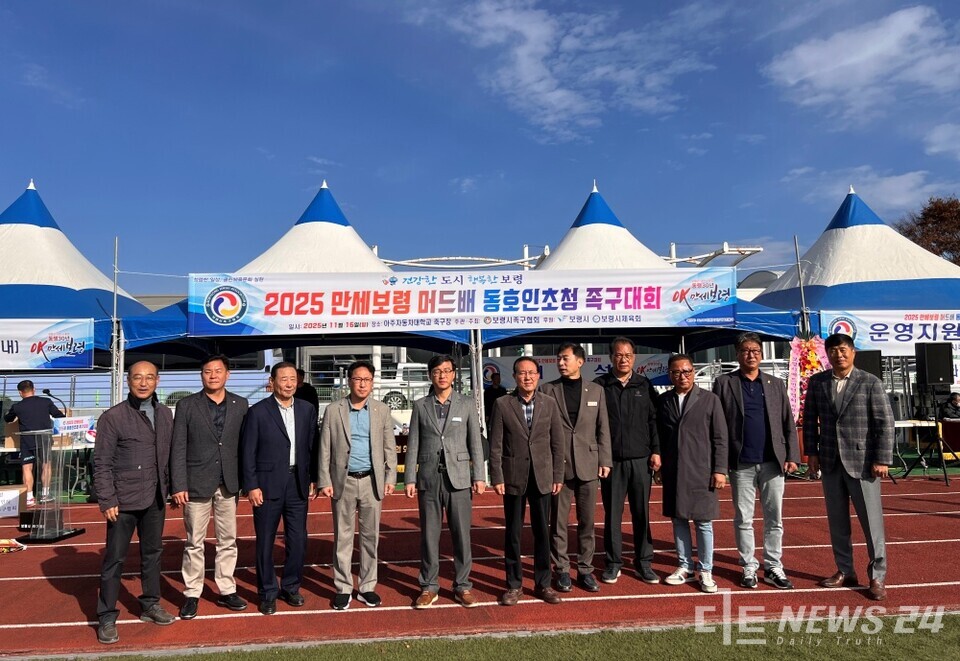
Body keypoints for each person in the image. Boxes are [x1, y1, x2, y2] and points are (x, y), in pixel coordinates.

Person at [803, 333, 894, 601]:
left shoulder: (870, 382)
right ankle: (845, 570)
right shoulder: (817, 383)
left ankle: (877, 575)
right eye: (833, 351)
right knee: (837, 522)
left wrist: (882, 459)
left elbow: (884, 424)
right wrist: (812, 453)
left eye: (843, 350)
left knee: (872, 524)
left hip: (863, 463)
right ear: (827, 354)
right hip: (830, 461)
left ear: (853, 352)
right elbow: (810, 422)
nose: (838, 355)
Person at [94, 361, 175, 644]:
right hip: (123, 501)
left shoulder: (165, 414)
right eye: (138, 377)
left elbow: (168, 457)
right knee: (114, 560)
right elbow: (102, 462)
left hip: (155, 499)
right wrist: (107, 498)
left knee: (152, 555)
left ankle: (150, 604)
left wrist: (173, 489)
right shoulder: (113, 417)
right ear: (128, 380)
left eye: (149, 378)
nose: (144, 383)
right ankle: (106, 615)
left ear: (157, 381)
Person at [713, 333, 800, 590]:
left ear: (761, 354)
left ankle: (773, 566)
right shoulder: (724, 383)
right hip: (741, 462)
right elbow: (717, 425)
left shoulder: (774, 383)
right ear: (737, 355)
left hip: (773, 461)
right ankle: (748, 565)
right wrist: (719, 463)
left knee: (775, 518)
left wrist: (792, 455)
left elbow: (788, 422)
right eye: (745, 350)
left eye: (755, 350)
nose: (751, 354)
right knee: (743, 518)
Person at [170, 355, 249, 619]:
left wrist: (247, 482)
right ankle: (192, 592)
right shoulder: (186, 405)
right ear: (201, 375)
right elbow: (178, 446)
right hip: (195, 483)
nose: (213, 375)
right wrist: (178, 483)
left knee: (228, 540)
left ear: (228, 374)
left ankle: (226, 589)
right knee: (194, 541)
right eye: (207, 371)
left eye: (218, 371)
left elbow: (244, 447)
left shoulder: (241, 404)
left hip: (229, 482)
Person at [404, 355, 486, 609]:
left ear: (453, 375)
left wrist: (479, 475)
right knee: (429, 536)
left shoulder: (466, 404)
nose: (442, 375)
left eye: (447, 371)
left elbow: (475, 441)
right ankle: (429, 586)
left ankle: (462, 585)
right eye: (437, 371)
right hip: (429, 478)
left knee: (461, 535)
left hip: (459, 478)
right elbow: (413, 443)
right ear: (431, 375)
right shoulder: (420, 405)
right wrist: (409, 477)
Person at [317, 359, 397, 611]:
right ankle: (342, 587)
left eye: (367, 380)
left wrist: (390, 477)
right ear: (349, 381)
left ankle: (367, 587)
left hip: (372, 481)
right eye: (358, 379)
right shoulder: (334, 410)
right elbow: (325, 448)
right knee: (342, 537)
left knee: (370, 538)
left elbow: (388, 447)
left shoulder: (381, 410)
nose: (362, 384)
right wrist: (324, 480)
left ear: (372, 383)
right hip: (344, 481)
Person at [240, 361, 318, 615]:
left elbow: (312, 447)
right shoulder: (258, 411)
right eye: (283, 378)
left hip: (297, 484)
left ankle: (291, 586)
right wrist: (251, 485)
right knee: (265, 541)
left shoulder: (307, 410)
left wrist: (313, 478)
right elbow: (247, 451)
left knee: (298, 540)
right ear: (272, 382)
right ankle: (267, 592)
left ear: (298, 381)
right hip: (267, 486)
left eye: (292, 379)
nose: (288, 383)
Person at [488, 356, 565, 606]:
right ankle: (513, 585)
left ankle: (544, 584)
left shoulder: (550, 404)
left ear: (538, 375)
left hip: (543, 477)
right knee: (513, 533)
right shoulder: (502, 404)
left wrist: (557, 476)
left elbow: (557, 443)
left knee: (543, 533)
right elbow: (496, 444)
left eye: (532, 373)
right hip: (513, 477)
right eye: (522, 373)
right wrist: (497, 476)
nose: (527, 377)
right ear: (515, 376)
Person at [541, 342, 611, 593]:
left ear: (580, 362)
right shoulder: (547, 390)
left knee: (587, 522)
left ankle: (585, 569)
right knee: (558, 522)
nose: (561, 362)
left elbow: (603, 428)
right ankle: (561, 569)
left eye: (565, 358)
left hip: (589, 465)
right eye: (559, 358)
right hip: (558, 467)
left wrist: (605, 460)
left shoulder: (596, 391)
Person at [657, 354, 728, 594]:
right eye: (677, 372)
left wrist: (720, 470)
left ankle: (706, 569)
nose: (682, 376)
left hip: (702, 470)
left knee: (703, 522)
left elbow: (720, 437)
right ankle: (684, 566)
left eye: (687, 371)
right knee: (678, 519)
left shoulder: (710, 400)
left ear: (693, 372)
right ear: (670, 374)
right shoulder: (664, 400)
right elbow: (659, 435)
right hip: (674, 470)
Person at [593, 337, 661, 585]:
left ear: (634, 357)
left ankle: (644, 563)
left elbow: (653, 422)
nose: (623, 359)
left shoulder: (644, 385)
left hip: (641, 460)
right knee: (613, 515)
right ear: (611, 358)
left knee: (641, 513)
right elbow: (594, 426)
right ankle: (613, 563)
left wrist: (656, 450)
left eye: (628, 355)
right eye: (619, 355)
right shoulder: (600, 386)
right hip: (611, 463)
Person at [3, 380, 64, 507]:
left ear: (20, 393)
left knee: (27, 468)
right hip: (44, 438)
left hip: (27, 440)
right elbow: (59, 416)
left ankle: (29, 497)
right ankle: (45, 494)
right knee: (46, 466)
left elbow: (8, 418)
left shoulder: (17, 406)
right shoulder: (46, 402)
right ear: (34, 389)